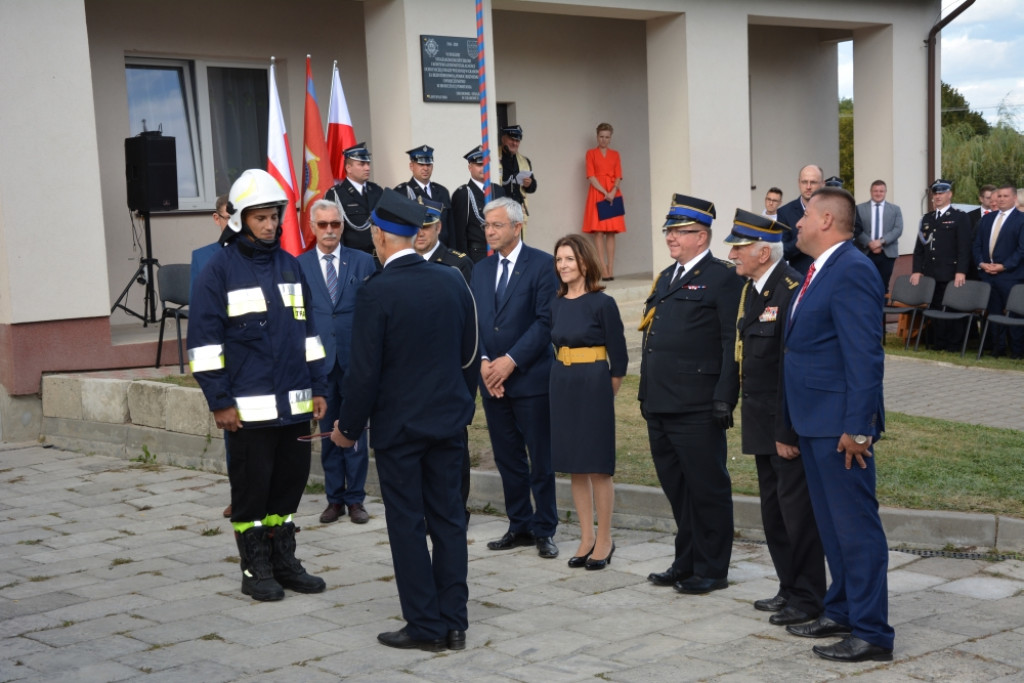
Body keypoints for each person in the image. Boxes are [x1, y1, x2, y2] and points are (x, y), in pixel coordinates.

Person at [331, 189, 479, 652]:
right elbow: (470, 355)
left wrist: (347, 429)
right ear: (414, 234)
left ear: (377, 235)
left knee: (408, 525)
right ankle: (455, 622)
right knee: (449, 521)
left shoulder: (375, 292)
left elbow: (363, 374)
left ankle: (425, 624)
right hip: (448, 424)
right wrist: (460, 405)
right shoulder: (452, 280)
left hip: (400, 432)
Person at [188, 169, 328, 602]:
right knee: (252, 492)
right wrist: (220, 401)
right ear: (240, 220)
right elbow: (204, 345)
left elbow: (309, 334)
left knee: (288, 487)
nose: (269, 225)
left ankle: (283, 561)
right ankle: (255, 568)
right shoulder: (218, 271)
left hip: (296, 405)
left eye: (274, 216)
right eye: (260, 218)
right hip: (247, 413)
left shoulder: (290, 265)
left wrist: (319, 386)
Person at [782, 185, 894, 663]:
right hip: (814, 422)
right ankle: (843, 609)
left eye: (805, 214)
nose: (798, 222)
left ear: (827, 220)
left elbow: (865, 356)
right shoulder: (817, 269)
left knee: (856, 529)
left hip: (841, 428)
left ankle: (872, 633)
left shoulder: (851, 270)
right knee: (832, 527)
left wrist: (860, 427)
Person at [725, 209, 825, 627]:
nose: (732, 254)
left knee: (796, 514)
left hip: (784, 424)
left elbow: (792, 370)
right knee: (774, 512)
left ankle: (809, 597)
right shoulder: (754, 290)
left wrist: (786, 429)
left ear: (763, 251)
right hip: (761, 419)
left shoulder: (789, 290)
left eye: (739, 247)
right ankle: (789, 587)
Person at [640, 193, 743, 595]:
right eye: (669, 231)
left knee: (707, 488)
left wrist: (724, 397)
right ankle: (686, 561)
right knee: (678, 489)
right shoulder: (667, 276)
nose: (670, 237)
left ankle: (713, 568)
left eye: (679, 232)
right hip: (660, 402)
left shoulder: (723, 277)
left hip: (697, 405)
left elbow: (729, 341)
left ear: (701, 236)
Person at [469, 196, 560, 559]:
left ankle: (545, 527)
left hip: (531, 379)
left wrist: (509, 361)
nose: (489, 232)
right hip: (491, 381)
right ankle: (519, 524)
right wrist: (486, 362)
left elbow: (544, 322)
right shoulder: (479, 269)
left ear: (517, 226)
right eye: (486, 226)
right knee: (508, 458)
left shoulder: (542, 265)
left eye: (496, 225)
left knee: (541, 458)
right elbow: (476, 322)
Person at [549, 234, 627, 571]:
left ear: (584, 262)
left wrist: (602, 389)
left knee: (597, 464)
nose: (563, 265)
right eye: (559, 260)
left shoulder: (602, 303)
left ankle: (605, 538)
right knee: (575, 465)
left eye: (569, 259)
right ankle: (585, 536)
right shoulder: (555, 303)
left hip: (593, 382)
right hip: (561, 382)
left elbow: (619, 357)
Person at [297, 199, 376, 525]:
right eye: (323, 225)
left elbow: (373, 314)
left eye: (335, 224)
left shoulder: (363, 262)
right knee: (328, 432)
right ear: (313, 228)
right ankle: (335, 498)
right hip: (319, 365)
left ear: (342, 227)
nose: (329, 231)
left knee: (355, 431)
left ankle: (356, 499)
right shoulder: (298, 265)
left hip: (354, 362)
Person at [416, 197, 475, 515]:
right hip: (415, 372)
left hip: (448, 368)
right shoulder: (402, 261)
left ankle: (457, 508)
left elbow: (466, 323)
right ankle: (427, 507)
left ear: (438, 227)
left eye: (426, 227)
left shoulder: (457, 263)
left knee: (453, 444)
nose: (420, 233)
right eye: (416, 227)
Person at [190, 193, 232, 518]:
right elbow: (200, 319)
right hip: (225, 357)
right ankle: (240, 492)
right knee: (236, 436)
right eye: (227, 216)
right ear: (216, 219)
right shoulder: (203, 258)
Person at [911, 179, 972, 352]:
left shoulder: (959, 217)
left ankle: (954, 345)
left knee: (952, 308)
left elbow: (964, 248)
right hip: (931, 272)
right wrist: (916, 270)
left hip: (951, 272)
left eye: (942, 193)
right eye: (935, 193)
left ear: (949, 194)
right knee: (935, 308)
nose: (938, 196)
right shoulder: (927, 218)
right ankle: (939, 343)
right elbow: (919, 249)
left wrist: (961, 271)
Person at [974, 183, 1024, 358]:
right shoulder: (988, 219)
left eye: (1005, 196)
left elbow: (1021, 250)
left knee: (1014, 314)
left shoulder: (1021, 219)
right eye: (999, 196)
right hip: (988, 275)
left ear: (1014, 198)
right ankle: (997, 349)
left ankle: (1017, 351)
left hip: (1011, 276)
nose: (1001, 199)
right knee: (993, 314)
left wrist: (1004, 266)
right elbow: (977, 245)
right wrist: (982, 263)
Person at [581, 122, 626, 281]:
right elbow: (591, 176)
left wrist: (613, 191)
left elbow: (619, 175)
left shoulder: (616, 154)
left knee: (611, 232)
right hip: (598, 193)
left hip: (613, 193)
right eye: (601, 136)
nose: (604, 140)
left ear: (610, 138)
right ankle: (602, 268)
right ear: (597, 136)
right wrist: (605, 192)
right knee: (598, 232)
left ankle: (610, 268)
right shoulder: (590, 153)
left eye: (607, 137)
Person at [324, 142, 384, 259]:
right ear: (348, 168)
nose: (367, 168)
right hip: (353, 260)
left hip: (379, 259)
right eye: (361, 164)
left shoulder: (377, 191)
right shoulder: (336, 195)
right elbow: (334, 233)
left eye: (367, 163)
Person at [451, 145, 504, 263]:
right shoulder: (463, 194)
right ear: (470, 167)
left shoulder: (498, 191)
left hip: (499, 254)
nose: (483, 168)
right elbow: (459, 235)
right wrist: (465, 262)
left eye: (486, 164)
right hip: (476, 256)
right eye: (479, 165)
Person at [393, 145, 453, 247]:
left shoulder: (442, 191)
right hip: (417, 252)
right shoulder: (402, 192)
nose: (425, 168)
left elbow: (451, 228)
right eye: (421, 164)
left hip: (442, 252)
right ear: (411, 166)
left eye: (429, 164)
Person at [855, 180, 904, 295]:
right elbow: (856, 228)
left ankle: (882, 313)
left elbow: (898, 229)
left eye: (881, 191)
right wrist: (870, 243)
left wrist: (880, 242)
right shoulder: (859, 208)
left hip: (887, 254)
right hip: (865, 252)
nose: (878, 193)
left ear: (885, 192)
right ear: (871, 192)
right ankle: (867, 313)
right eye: (875, 191)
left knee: (883, 286)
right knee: (865, 286)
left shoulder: (895, 209)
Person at [777, 165, 823, 275]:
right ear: (799, 183)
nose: (808, 186)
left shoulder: (832, 210)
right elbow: (781, 252)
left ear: (822, 183)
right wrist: (804, 238)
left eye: (813, 182)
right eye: (804, 182)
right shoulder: (784, 212)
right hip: (800, 279)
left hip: (828, 277)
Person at [499, 125, 536, 219]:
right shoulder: (493, 158)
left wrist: (529, 184)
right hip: (499, 209)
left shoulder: (524, 161)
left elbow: (533, 187)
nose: (515, 143)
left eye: (517, 141)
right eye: (512, 139)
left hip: (518, 209)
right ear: (503, 139)